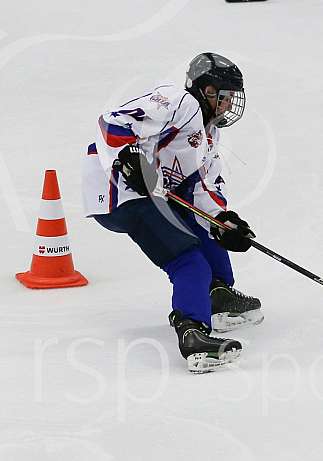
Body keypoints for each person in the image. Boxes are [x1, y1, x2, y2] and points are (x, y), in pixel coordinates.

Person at [81, 52, 263, 373]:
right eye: (225, 96)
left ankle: (216, 294)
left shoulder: (208, 135)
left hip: (145, 192)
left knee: (206, 231)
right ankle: (194, 335)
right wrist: (129, 156)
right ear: (206, 91)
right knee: (188, 263)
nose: (229, 104)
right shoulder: (180, 101)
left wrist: (223, 221)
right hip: (120, 189)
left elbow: (201, 186)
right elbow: (114, 121)